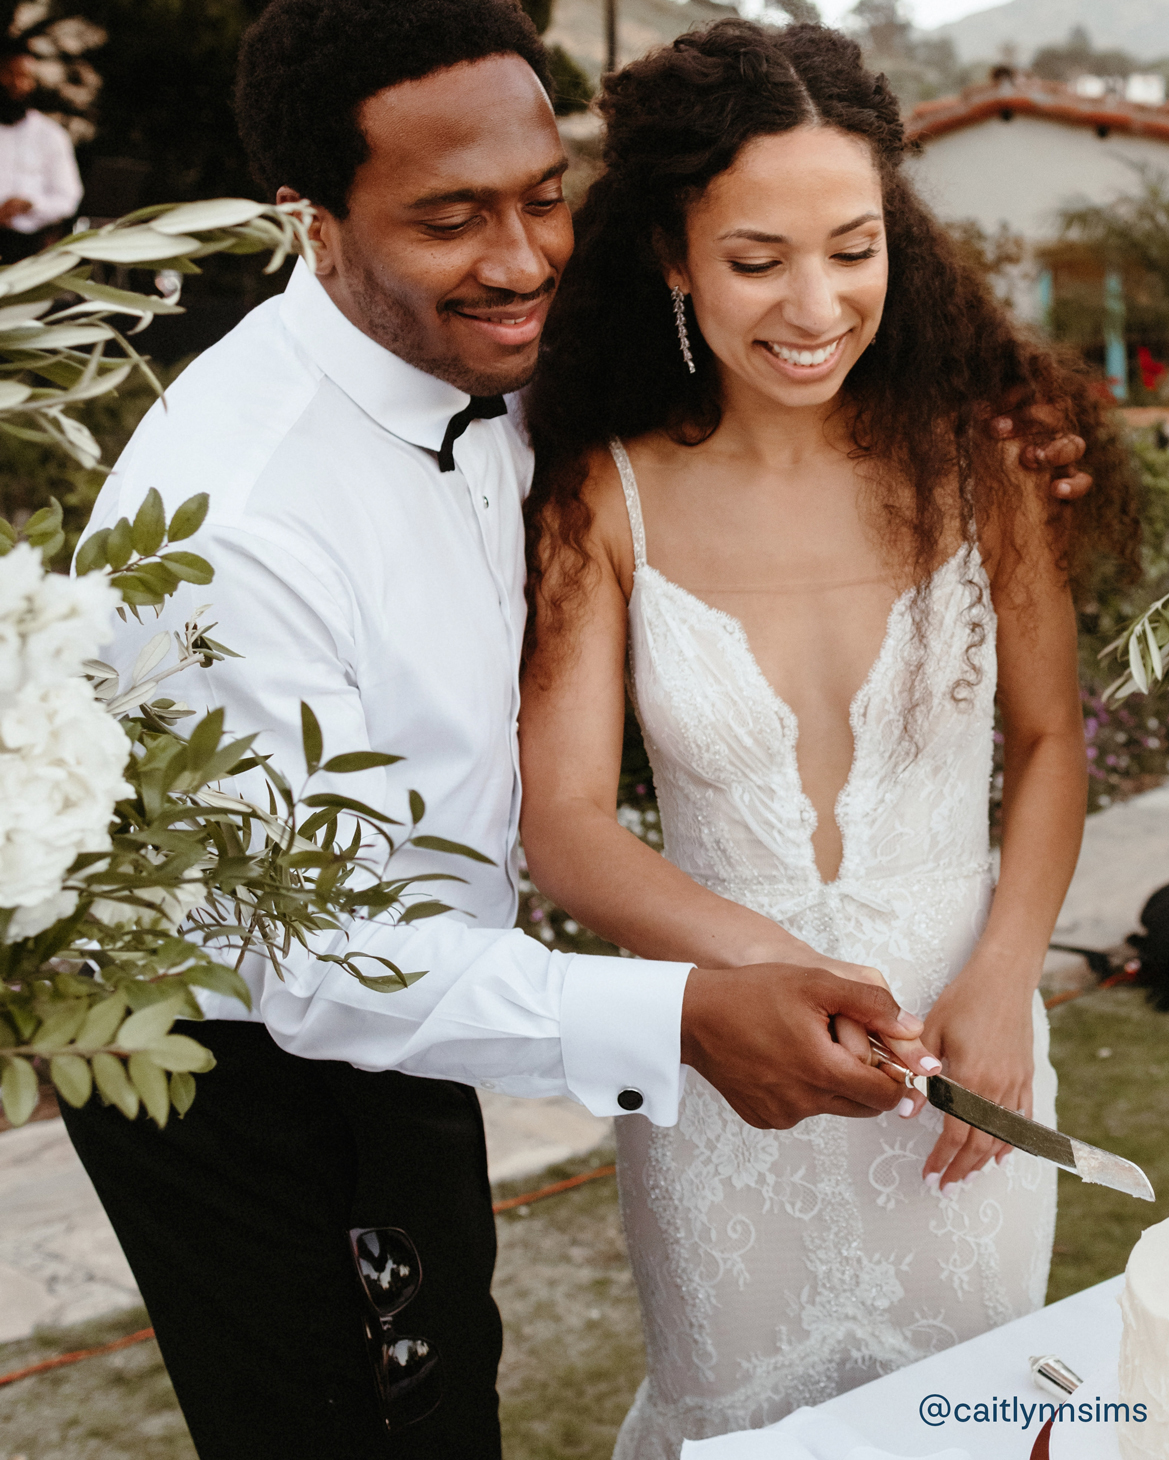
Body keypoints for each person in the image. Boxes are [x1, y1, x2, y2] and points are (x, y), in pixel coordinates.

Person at [64, 3, 1095, 1456]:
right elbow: (317, 961)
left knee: (457, 1405)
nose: (527, 257)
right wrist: (686, 1009)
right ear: (318, 221)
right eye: (451, 218)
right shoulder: (235, 522)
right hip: (244, 1064)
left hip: (449, 1019)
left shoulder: (520, 374)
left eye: (546, 198)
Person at [517, 21, 1132, 1455]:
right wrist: (775, 973)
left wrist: (1002, 978)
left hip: (966, 1069)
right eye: (758, 260)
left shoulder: (985, 468)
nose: (816, 302)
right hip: (730, 1079)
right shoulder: (601, 497)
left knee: (974, 1416)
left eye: (853, 248)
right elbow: (565, 823)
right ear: (674, 256)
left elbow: (1047, 743)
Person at [0, 46, 80, 262]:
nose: (16, 83)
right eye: (8, 74)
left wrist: (31, 204)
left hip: (29, 249)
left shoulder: (50, 135)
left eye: (24, 76)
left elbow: (68, 198)